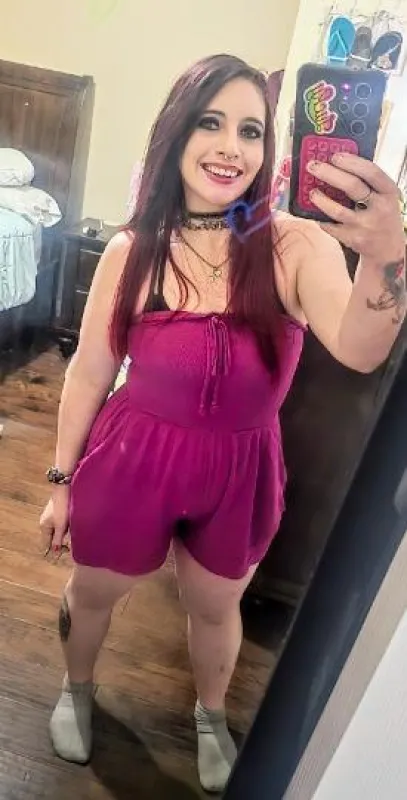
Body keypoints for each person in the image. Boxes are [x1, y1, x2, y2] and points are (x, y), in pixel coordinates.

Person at [40, 53, 406, 793]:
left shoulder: (293, 245)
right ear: (175, 134)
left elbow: (362, 349)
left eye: (250, 130)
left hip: (240, 471)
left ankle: (211, 715)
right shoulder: (132, 251)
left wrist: (387, 254)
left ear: (269, 148)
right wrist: (60, 481)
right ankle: (76, 690)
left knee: (215, 608)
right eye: (210, 123)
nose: (229, 147)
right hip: (132, 457)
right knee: (94, 591)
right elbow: (88, 373)